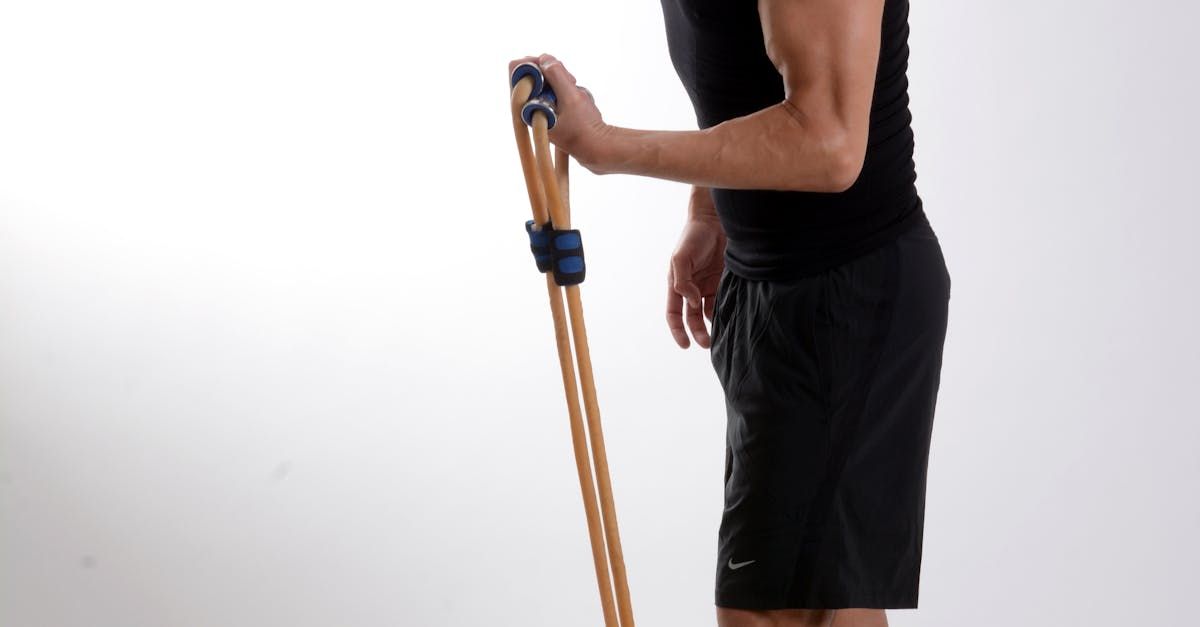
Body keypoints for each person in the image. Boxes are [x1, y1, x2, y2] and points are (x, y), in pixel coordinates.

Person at [509, 0, 950, 624]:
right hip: (767, 283)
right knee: (814, 601)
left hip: (845, 293)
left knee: (777, 610)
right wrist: (710, 212)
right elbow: (748, 75)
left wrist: (608, 147)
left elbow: (827, 142)